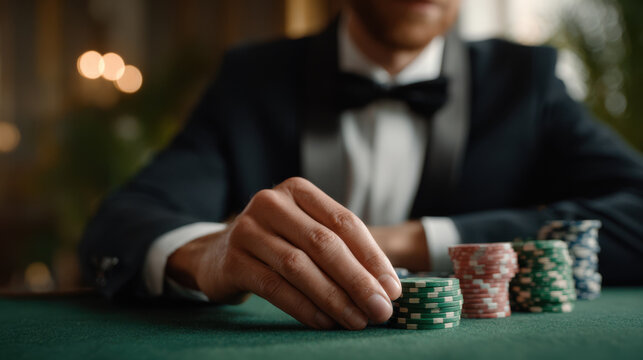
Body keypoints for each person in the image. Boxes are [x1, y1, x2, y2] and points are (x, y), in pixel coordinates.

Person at [80, 0, 643, 330]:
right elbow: (121, 221)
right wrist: (207, 253)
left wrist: (412, 241)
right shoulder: (252, 80)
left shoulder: (529, 81)